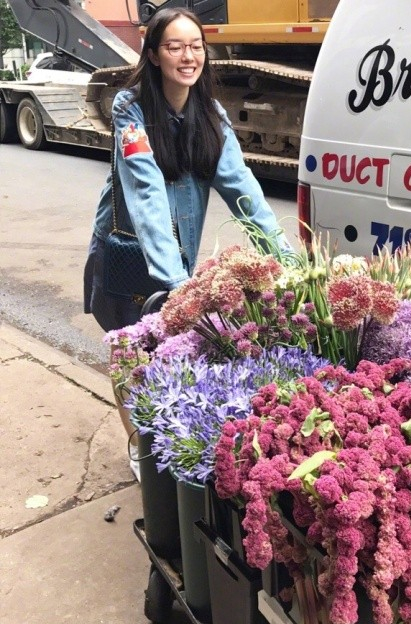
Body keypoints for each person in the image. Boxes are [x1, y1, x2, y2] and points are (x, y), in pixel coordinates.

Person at [83, 7, 290, 480]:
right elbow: (147, 193)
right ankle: (138, 443)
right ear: (154, 55)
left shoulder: (211, 115)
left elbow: (243, 189)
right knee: (129, 350)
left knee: (165, 354)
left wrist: (285, 256)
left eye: (195, 45)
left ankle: (162, 436)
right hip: (127, 250)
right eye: (174, 46)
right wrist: (177, 281)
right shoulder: (130, 109)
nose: (187, 56)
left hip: (175, 259)